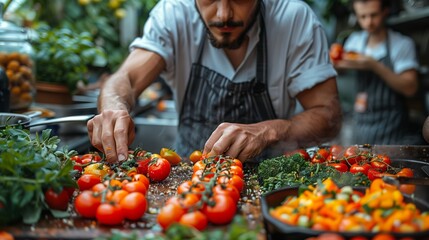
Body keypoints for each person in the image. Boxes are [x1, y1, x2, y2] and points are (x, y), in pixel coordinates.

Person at [87, 0, 342, 163]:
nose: (223, 14)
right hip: (185, 176)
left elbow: (327, 115)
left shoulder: (294, 21)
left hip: (272, 182)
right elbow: (125, 79)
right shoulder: (174, 14)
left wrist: (269, 131)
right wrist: (114, 107)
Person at [333, 0, 420, 145]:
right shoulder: (354, 42)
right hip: (360, 125)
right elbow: (340, 71)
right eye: (362, 17)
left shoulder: (402, 44)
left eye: (373, 15)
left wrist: (374, 65)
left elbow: (410, 88)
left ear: (385, 11)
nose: (368, 22)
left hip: (391, 128)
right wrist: (335, 62)